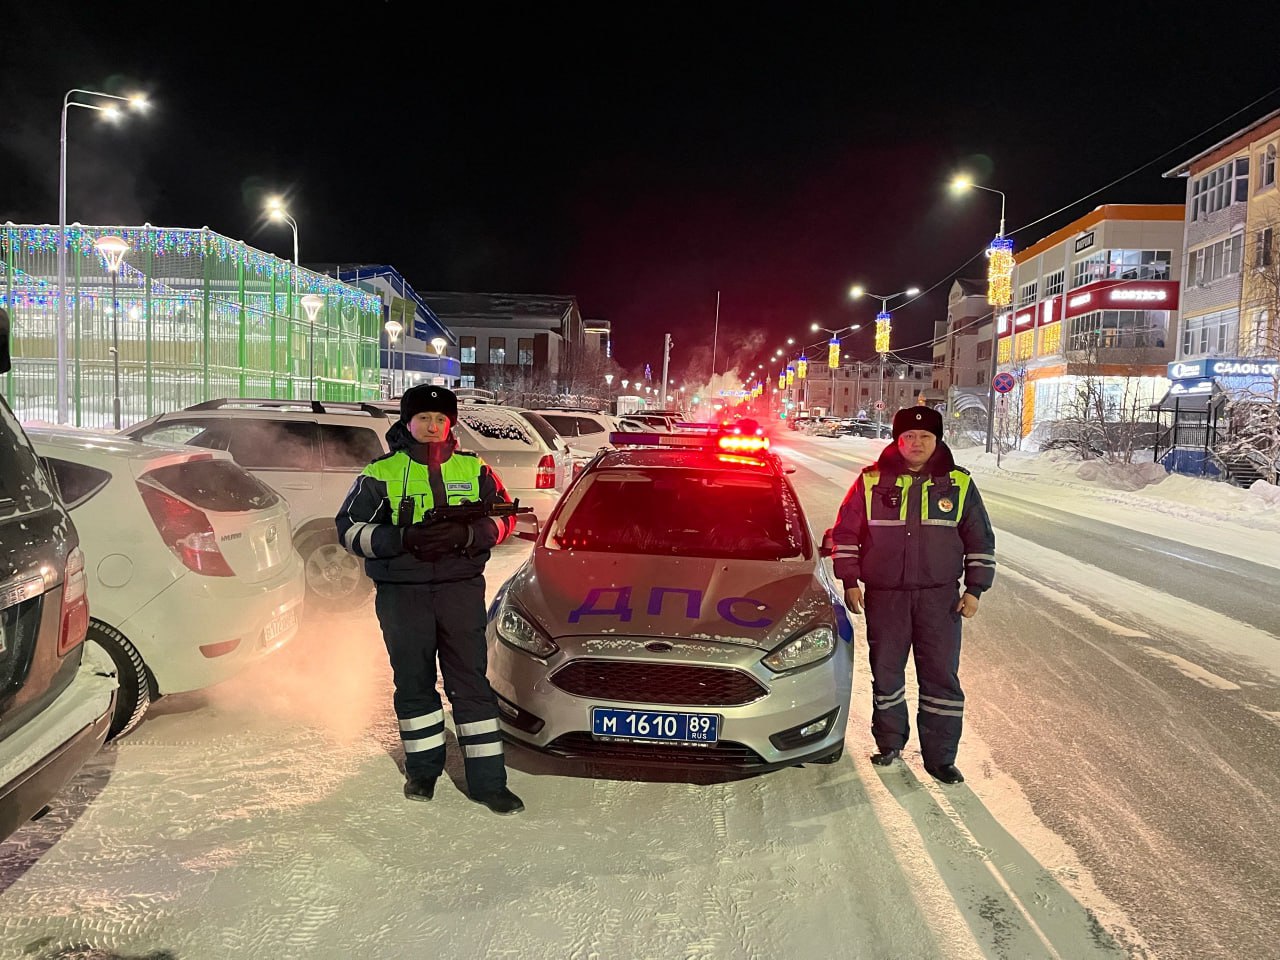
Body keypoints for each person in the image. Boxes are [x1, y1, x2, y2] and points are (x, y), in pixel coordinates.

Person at [335, 384, 524, 814]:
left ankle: (489, 782)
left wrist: (469, 533)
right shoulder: (379, 473)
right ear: (407, 422)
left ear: (451, 424)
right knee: (415, 683)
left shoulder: (474, 469)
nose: (433, 426)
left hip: (459, 589)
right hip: (403, 594)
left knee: (471, 685)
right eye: (423, 418)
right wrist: (401, 538)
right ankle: (423, 770)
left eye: (441, 419)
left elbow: (506, 517)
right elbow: (347, 530)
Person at [830, 406, 996, 784]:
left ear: (937, 440)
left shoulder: (959, 484)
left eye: (924, 437)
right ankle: (889, 744)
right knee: (886, 673)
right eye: (908, 437)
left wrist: (975, 589)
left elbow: (980, 540)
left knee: (940, 677)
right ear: (897, 440)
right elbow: (845, 534)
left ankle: (940, 757)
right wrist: (850, 580)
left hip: (940, 599)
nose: (916, 443)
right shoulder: (871, 481)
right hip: (885, 597)